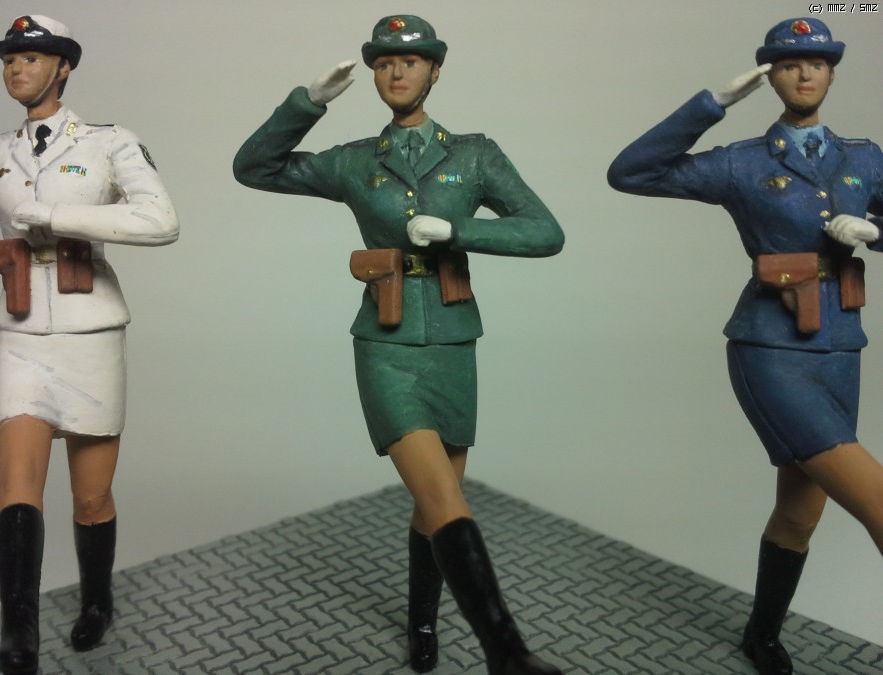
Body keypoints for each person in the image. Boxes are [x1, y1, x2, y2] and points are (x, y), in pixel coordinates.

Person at [234, 14, 564, 675]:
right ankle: (508, 652)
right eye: (383, 63)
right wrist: (308, 103)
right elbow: (255, 167)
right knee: (444, 497)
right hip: (384, 340)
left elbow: (544, 232)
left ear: (435, 70)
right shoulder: (356, 160)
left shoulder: (474, 154)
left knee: (433, 501)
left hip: (453, 338)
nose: (395, 73)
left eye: (409, 62)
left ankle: (422, 621)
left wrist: (460, 231)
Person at [607, 17, 883, 675]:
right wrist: (712, 105)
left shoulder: (865, 156)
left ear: (832, 72)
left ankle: (760, 636)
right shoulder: (742, 162)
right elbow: (632, 172)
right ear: (771, 77)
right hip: (771, 348)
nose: (804, 73)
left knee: (800, 513)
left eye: (816, 62)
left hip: (841, 347)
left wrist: (875, 230)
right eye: (788, 64)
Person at [0, 15, 179, 674]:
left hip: (89, 329)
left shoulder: (107, 142)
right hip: (20, 333)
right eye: (10, 58)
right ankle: (19, 630)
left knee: (91, 494)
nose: (17, 68)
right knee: (16, 486)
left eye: (32, 58)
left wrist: (58, 216)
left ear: (63, 67)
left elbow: (160, 220)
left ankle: (98, 599)